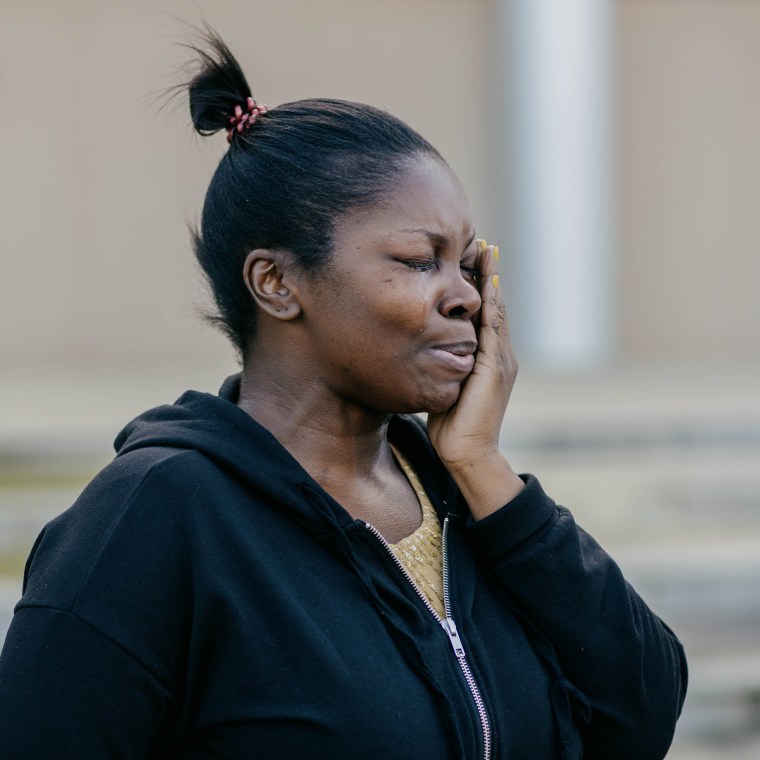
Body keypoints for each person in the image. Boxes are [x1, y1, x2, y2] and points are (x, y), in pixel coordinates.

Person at [0, 29, 686, 760]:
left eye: (469, 262)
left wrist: (482, 464)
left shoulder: (463, 502)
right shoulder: (153, 518)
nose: (466, 297)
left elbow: (639, 717)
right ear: (277, 283)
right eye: (421, 261)